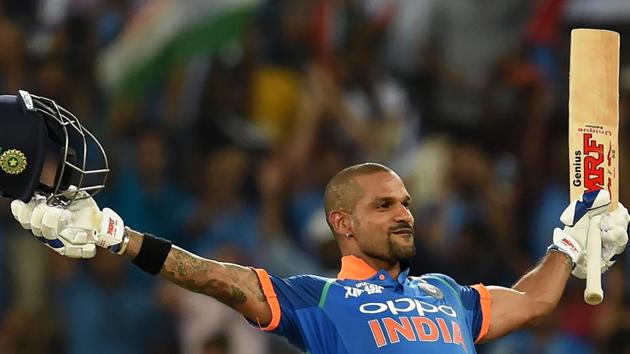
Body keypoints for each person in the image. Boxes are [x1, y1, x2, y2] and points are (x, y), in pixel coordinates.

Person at [9, 163, 630, 353]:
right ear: (343, 223)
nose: (405, 213)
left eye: (406, 202)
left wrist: (572, 244)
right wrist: (121, 238)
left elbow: (538, 299)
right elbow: (215, 279)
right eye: (384, 206)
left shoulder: (448, 296)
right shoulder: (319, 301)